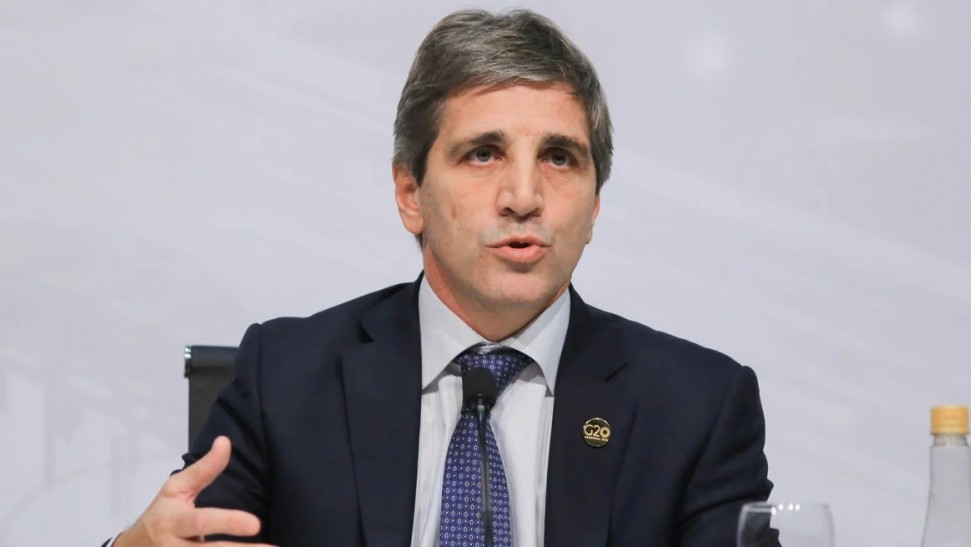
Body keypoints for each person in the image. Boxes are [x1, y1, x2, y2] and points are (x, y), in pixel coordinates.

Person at [107, 8, 773, 547]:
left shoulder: (699, 408)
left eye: (559, 158)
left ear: (594, 205)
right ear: (410, 194)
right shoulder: (285, 376)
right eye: (483, 154)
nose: (523, 197)